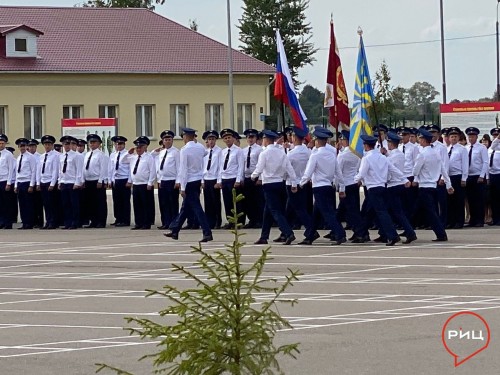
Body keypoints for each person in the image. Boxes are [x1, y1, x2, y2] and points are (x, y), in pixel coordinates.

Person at [164, 128, 213, 242]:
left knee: (197, 208)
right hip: (197, 180)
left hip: (189, 181)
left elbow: (183, 170)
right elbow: (205, 153)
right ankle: (175, 231)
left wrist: (182, 187)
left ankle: (207, 232)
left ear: (186, 137)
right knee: (185, 208)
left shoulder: (185, 150)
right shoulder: (200, 147)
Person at [300, 128, 346, 245]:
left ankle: (340, 234)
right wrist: (342, 188)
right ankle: (310, 235)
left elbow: (308, 172)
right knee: (316, 214)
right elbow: (338, 173)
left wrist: (301, 183)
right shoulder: (332, 155)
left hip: (319, 187)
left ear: (317, 141)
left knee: (328, 213)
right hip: (329, 187)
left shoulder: (315, 155)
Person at [354, 135, 402, 246]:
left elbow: (362, 173)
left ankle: (392, 235)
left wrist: (355, 180)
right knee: (369, 212)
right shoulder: (382, 157)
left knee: (381, 213)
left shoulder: (367, 158)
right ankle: (361, 233)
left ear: (366, 146)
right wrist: (403, 178)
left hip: (373, 188)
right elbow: (393, 169)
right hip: (382, 187)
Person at [252, 129, 297, 245]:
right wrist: (294, 183)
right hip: (280, 183)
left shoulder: (264, 153)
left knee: (275, 211)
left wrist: (253, 176)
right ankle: (264, 236)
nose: (262, 141)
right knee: (268, 211)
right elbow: (289, 168)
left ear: (266, 140)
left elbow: (259, 168)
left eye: (263, 139)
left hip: (269, 184)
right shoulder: (281, 152)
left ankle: (288, 233)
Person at [413, 129, 454, 241]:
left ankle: (441, 234)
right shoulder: (435, 153)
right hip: (433, 186)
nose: (419, 140)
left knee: (430, 213)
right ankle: (408, 230)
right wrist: (448, 185)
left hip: (424, 187)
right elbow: (443, 170)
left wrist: (417, 174)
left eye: (420, 138)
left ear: (423, 140)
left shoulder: (422, 154)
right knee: (416, 209)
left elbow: (415, 172)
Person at [285, 127, 317, 245]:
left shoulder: (291, 154)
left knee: (299, 210)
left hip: (293, 184)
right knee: (298, 209)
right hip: (304, 183)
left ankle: (311, 231)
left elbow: (287, 170)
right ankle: (285, 232)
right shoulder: (307, 151)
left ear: (294, 138)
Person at [384, 132, 416, 243]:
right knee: (397, 212)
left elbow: (391, 170)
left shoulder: (392, 156)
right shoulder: (398, 154)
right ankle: (408, 232)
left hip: (393, 185)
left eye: (388, 142)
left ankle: (407, 233)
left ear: (391, 143)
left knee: (394, 212)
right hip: (398, 184)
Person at [336, 130, 367, 243]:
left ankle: (361, 233)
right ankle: (358, 232)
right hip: (354, 183)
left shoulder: (343, 155)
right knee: (351, 211)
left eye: (342, 139)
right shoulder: (356, 153)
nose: (340, 141)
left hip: (346, 185)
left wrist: (339, 187)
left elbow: (338, 171)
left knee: (351, 213)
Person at [123, 136, 156, 230]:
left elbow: (152, 170)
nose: (138, 149)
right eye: (137, 147)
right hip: (136, 184)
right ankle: (138, 223)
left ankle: (146, 223)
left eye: (140, 147)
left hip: (145, 184)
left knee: (146, 205)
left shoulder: (148, 157)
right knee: (137, 205)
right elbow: (123, 161)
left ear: (144, 147)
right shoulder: (133, 157)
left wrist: (150, 183)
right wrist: (127, 153)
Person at [216, 128, 244, 229]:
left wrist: (238, 180)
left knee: (236, 202)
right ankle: (230, 221)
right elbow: (220, 167)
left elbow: (240, 166)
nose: (227, 140)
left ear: (233, 139)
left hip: (233, 178)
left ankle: (238, 221)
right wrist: (219, 180)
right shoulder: (222, 152)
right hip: (225, 179)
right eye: (225, 138)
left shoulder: (238, 151)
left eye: (229, 137)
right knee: (227, 201)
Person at [153, 130, 180, 230]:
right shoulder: (161, 152)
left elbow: (179, 167)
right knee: (163, 203)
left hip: (172, 180)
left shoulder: (176, 152)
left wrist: (178, 181)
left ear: (172, 141)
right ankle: (165, 222)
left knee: (172, 203)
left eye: (169, 139)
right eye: (165, 139)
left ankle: (174, 223)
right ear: (163, 141)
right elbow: (159, 166)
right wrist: (159, 180)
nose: (167, 141)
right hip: (162, 181)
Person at [82, 133, 109, 228]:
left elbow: (103, 169)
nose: (92, 144)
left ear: (99, 144)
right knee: (90, 202)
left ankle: (101, 221)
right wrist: (83, 180)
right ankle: (93, 221)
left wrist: (101, 181)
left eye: (94, 142)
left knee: (100, 202)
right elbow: (84, 168)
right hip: (88, 180)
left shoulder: (101, 155)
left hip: (97, 181)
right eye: (90, 142)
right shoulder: (87, 154)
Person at [58, 135, 84, 229]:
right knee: (65, 204)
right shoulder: (61, 156)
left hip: (72, 182)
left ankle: (75, 222)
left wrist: (77, 183)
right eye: (65, 144)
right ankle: (67, 222)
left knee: (74, 204)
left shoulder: (77, 156)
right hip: (64, 182)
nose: (67, 146)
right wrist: (59, 181)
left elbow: (79, 170)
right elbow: (60, 170)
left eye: (69, 143)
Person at [465, 126, 488, 227]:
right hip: (468, 176)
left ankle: (479, 220)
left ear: (476, 136)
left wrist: (482, 176)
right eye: (469, 136)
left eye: (473, 136)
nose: (471, 138)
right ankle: (472, 219)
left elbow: (485, 162)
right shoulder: (465, 148)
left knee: (479, 199)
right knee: (470, 199)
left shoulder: (481, 148)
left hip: (478, 176)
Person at [446, 127, 468, 229]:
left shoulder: (462, 149)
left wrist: (464, 178)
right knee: (450, 201)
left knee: (459, 200)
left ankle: (459, 221)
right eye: (451, 136)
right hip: (448, 177)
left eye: (455, 136)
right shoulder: (447, 149)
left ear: (458, 137)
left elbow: (465, 164)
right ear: (449, 138)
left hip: (458, 176)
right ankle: (451, 221)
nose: (453, 138)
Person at [36, 135, 60, 229]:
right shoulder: (41, 157)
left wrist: (52, 184)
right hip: (43, 182)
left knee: (52, 204)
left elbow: (55, 170)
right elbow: (38, 171)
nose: (47, 146)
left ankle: (53, 222)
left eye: (49, 144)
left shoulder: (55, 156)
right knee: (46, 204)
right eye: (45, 144)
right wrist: (38, 183)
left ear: (52, 145)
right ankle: (48, 221)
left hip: (50, 182)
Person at [241, 128, 263, 228]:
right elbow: (242, 166)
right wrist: (241, 178)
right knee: (248, 201)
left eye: (252, 137)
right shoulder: (244, 151)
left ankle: (259, 220)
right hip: (247, 177)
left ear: (256, 138)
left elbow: (262, 165)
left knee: (257, 200)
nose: (250, 139)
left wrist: (260, 178)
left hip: (256, 178)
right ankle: (252, 220)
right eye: (249, 137)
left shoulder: (259, 150)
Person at [14, 138, 37, 229]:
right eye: (20, 146)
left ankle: (29, 223)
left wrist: (31, 185)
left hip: (27, 182)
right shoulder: (19, 157)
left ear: (26, 146)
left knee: (28, 204)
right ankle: (24, 222)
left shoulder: (30, 157)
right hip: (20, 182)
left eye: (23, 146)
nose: (22, 148)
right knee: (22, 204)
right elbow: (17, 172)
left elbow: (33, 171)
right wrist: (16, 185)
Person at [201, 130, 222, 229]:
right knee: (208, 202)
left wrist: (218, 181)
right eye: (209, 139)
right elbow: (202, 167)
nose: (211, 141)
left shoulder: (219, 151)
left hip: (214, 179)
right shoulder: (205, 152)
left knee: (215, 202)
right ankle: (209, 221)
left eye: (213, 139)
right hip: (206, 179)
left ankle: (218, 221)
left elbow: (220, 167)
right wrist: (202, 181)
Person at [108, 136, 131, 227]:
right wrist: (110, 180)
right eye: (117, 144)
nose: (119, 146)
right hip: (116, 180)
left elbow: (130, 168)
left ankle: (125, 220)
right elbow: (110, 168)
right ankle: (118, 218)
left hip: (124, 179)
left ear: (124, 144)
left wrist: (129, 180)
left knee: (125, 201)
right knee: (116, 201)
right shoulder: (113, 155)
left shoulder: (128, 154)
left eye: (121, 144)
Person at [0, 134, 16, 229]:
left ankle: (8, 222)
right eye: (0, 143)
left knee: (7, 203)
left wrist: (9, 183)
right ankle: (1, 221)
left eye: (2, 143)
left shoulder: (8, 154)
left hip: (5, 181)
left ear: (5, 143)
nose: (1, 145)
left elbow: (11, 169)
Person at [28, 138, 44, 228]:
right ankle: (33, 221)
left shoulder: (39, 157)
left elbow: (38, 171)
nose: (31, 148)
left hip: (37, 182)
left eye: (33, 146)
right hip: (29, 182)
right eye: (30, 146)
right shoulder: (26, 156)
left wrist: (38, 183)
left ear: (36, 147)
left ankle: (40, 221)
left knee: (38, 203)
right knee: (31, 204)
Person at [488, 127, 500, 225]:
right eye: (495, 135)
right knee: (493, 199)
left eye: (498, 135)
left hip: (499, 174)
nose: (496, 137)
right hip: (492, 175)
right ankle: (495, 218)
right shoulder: (490, 149)